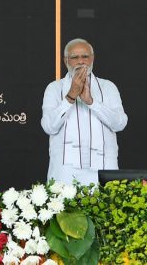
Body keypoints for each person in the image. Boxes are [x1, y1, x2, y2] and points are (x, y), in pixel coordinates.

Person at [41, 38, 128, 185]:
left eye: (85, 57)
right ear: (66, 61)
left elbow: (120, 124)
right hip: (65, 169)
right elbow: (49, 127)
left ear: (92, 59)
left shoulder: (108, 86)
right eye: (74, 57)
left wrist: (91, 102)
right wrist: (70, 97)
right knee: (64, 208)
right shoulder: (54, 88)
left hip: (103, 165)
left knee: (104, 207)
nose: (80, 61)